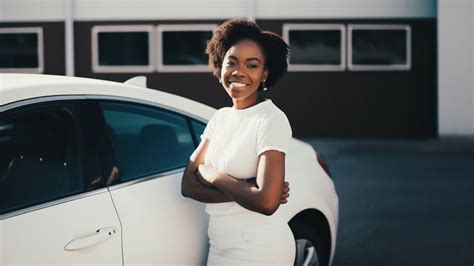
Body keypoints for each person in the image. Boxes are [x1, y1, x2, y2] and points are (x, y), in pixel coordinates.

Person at [181, 18, 294, 265]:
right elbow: (188, 185)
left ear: (264, 74)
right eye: (231, 62)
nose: (238, 72)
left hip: (259, 247)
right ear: (220, 66)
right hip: (219, 244)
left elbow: (266, 203)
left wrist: (213, 176)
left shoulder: (271, 119)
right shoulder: (220, 118)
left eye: (251, 65)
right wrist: (246, 188)